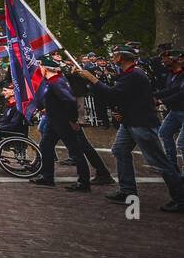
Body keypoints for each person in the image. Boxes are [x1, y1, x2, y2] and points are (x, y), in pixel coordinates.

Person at [72, 45, 184, 212]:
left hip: (140, 123)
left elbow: (113, 94)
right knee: (119, 150)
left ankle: (180, 198)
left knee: (158, 161)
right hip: (130, 121)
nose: (113, 56)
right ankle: (127, 190)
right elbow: (126, 97)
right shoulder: (129, 74)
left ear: (121, 57)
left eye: (115, 54)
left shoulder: (134, 75)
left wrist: (91, 78)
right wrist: (119, 110)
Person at [30, 55, 92, 191]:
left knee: (75, 151)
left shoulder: (55, 82)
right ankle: (47, 177)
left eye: (40, 67)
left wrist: (73, 120)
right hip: (54, 121)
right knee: (45, 146)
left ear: (46, 68)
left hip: (63, 122)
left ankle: (84, 182)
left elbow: (69, 101)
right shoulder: (54, 81)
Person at [156, 49, 184, 170]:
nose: (163, 60)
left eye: (165, 58)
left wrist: (161, 101)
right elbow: (170, 90)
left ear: (174, 59)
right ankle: (171, 165)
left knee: (182, 143)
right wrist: (152, 95)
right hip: (175, 111)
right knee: (164, 133)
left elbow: (181, 93)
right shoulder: (172, 74)